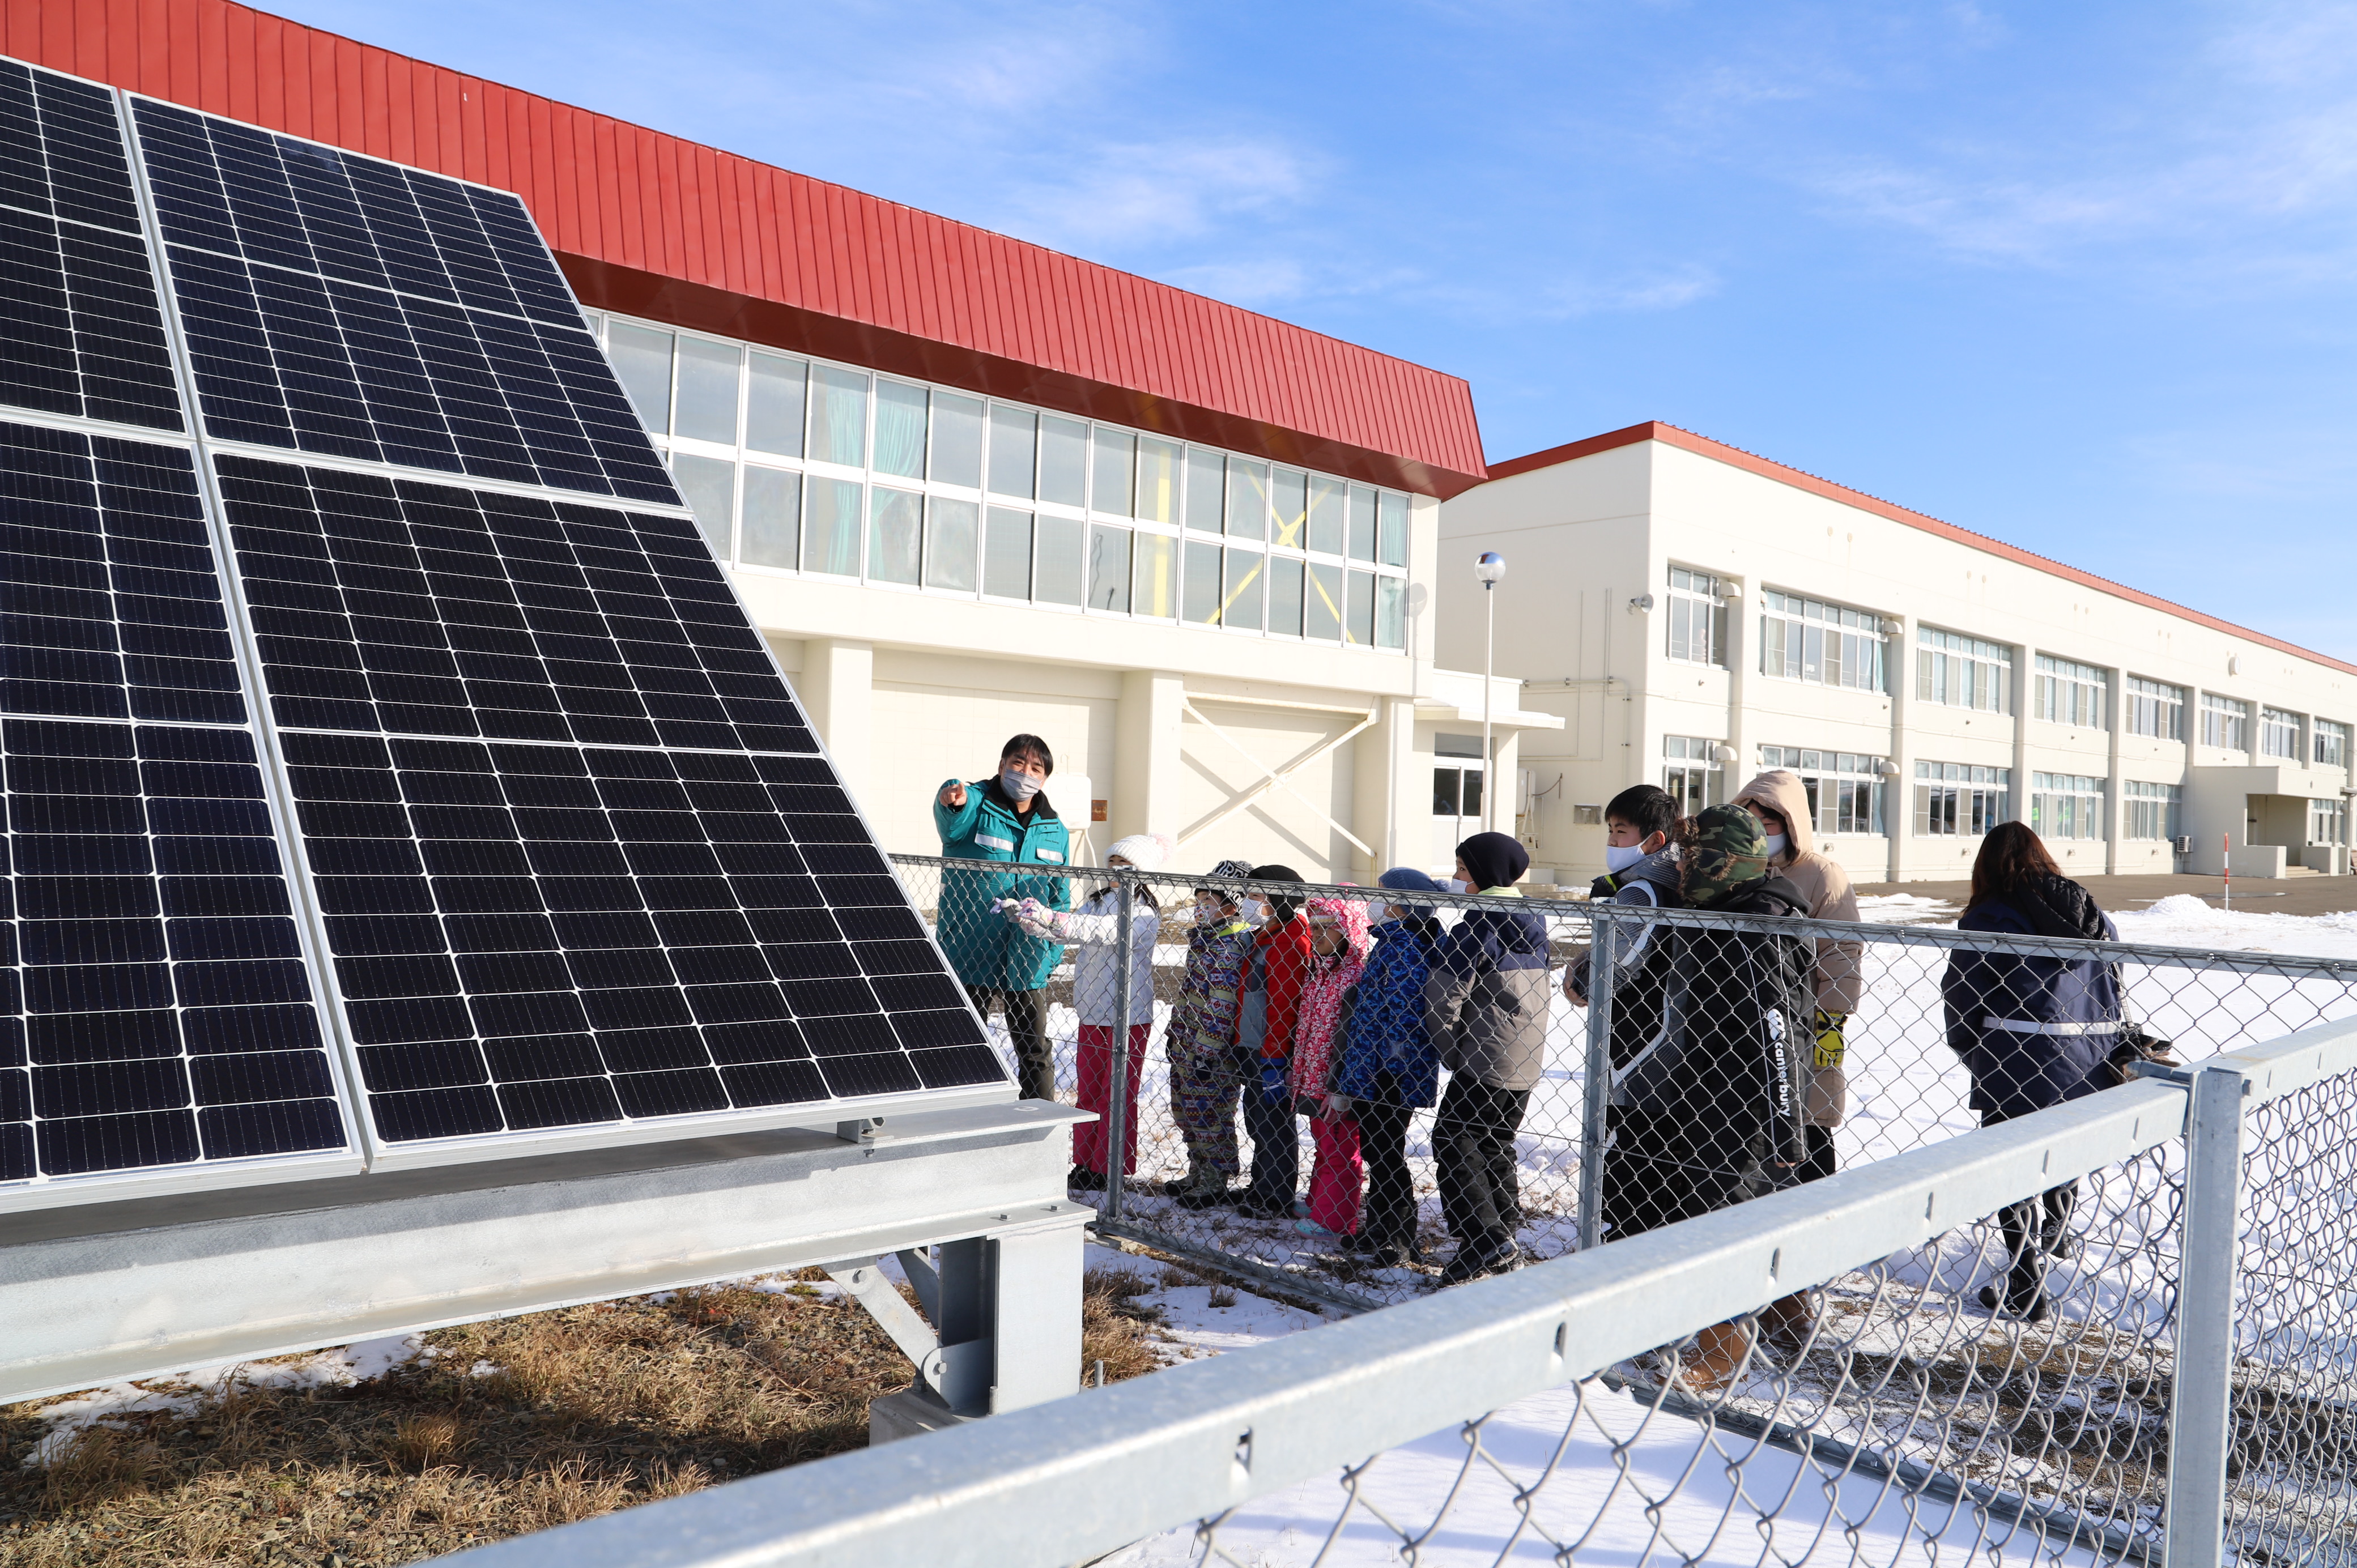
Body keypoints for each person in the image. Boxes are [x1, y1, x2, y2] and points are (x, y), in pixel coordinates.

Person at [1603, 806, 1814, 1389]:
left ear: (1729, 861)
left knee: (1722, 1217)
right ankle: (1786, 1314)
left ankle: (1722, 1350)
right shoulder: (1718, 909)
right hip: (1705, 1089)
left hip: (1745, 1100)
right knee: (1724, 1208)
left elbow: (1778, 1028)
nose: (1683, 864)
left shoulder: (1760, 918)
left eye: (1697, 857)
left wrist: (1785, 1122)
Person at [1942, 823, 2124, 1324]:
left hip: (2016, 1059)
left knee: (2011, 1169)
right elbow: (2113, 986)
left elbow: (1963, 995)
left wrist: (1970, 1049)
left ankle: (2026, 1281)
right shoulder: (2095, 916)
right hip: (2091, 1057)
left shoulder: (1990, 917)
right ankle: (2058, 1240)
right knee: (2063, 1149)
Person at [1008, 833, 1173, 1192]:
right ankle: (1085, 1161)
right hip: (1093, 1010)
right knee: (1089, 1090)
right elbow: (1071, 933)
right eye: (1113, 862)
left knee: (1117, 1093)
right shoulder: (1099, 901)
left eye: (1126, 865)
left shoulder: (1144, 911)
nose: (1116, 870)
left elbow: (1105, 933)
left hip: (1128, 1014)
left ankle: (1109, 1164)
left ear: (1143, 872)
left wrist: (1054, 916)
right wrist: (1031, 921)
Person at [1424, 831, 1551, 1285]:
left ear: (1482, 873)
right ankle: (1505, 1229)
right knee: (1495, 1142)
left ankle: (1485, 1237)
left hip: (1482, 1056)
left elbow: (1442, 999)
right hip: (1525, 1060)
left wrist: (1453, 1052)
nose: (1457, 878)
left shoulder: (1474, 929)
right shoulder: (1534, 923)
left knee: (1453, 1139)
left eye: (1462, 868)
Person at [1731, 771, 1865, 1186]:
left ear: (1791, 825)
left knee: (1808, 1115)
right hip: (1741, 1019)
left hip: (1805, 1022)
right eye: (1749, 822)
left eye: (1768, 824)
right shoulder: (1732, 868)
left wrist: (1829, 1020)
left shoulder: (1822, 874)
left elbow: (1841, 953)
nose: (1759, 833)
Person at [933, 735, 1071, 1101]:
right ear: (1001, 766)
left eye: (1035, 768)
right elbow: (952, 821)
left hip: (1026, 957)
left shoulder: (1055, 830)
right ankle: (952, 1116)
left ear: (1044, 778)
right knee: (959, 1044)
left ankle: (1037, 1129)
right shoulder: (976, 804)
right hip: (970, 951)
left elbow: (1060, 896)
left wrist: (1050, 954)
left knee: (1035, 1052)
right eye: (1018, 763)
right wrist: (951, 800)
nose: (1025, 773)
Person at [1329, 868, 1445, 1267]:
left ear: (1403, 904)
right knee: (1380, 1151)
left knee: (1387, 1152)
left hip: (1389, 1071)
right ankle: (1379, 1227)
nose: (1375, 902)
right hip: (1373, 1065)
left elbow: (1401, 1014)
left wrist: (1390, 1071)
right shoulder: (1394, 942)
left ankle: (1396, 1234)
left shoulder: (1406, 947)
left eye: (1383, 895)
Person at [1155, 860, 1258, 1208]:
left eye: (1208, 902)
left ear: (1231, 906)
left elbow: (1222, 1004)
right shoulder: (1206, 939)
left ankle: (1216, 1177)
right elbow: (1189, 993)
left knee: (1209, 1112)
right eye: (1197, 900)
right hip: (1187, 1041)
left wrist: (1205, 1050)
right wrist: (1175, 1033)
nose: (1199, 908)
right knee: (1185, 1110)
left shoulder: (1230, 945)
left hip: (1210, 1052)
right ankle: (1198, 1169)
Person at [1288, 892, 1373, 1238]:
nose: (1319, 935)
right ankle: (1319, 1200)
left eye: (1330, 928)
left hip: (1337, 1082)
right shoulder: (1319, 971)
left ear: (1349, 931)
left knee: (1341, 1149)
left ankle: (1335, 1218)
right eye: (1316, 926)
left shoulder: (1355, 977)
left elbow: (1352, 1039)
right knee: (1324, 1143)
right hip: (1311, 1076)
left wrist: (1341, 1086)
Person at [1234, 864, 1313, 1220]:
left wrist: (1275, 1058)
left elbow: (1284, 1006)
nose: (1247, 904)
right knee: (1256, 1117)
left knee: (1273, 1120)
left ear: (1277, 900)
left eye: (1255, 897)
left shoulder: (1290, 942)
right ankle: (1261, 1182)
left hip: (1270, 1049)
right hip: (1252, 1042)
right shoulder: (1267, 935)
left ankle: (1275, 1193)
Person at [1563, 784, 1683, 1010]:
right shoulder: (1675, 876)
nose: (1612, 840)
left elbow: (1618, 964)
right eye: (1610, 830)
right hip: (1663, 1008)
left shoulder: (1639, 891)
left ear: (1656, 841)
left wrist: (1580, 984)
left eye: (1621, 831)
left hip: (1636, 1018)